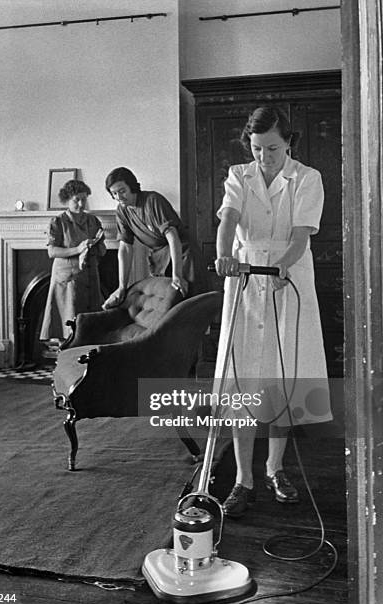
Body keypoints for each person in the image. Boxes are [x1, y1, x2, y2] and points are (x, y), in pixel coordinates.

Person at [214, 106, 332, 518]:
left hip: (287, 280)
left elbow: (301, 235)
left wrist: (284, 263)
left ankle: (275, 468)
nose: (264, 156)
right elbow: (228, 220)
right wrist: (223, 255)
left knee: (281, 377)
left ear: (289, 143)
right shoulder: (239, 175)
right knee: (244, 377)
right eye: (257, 148)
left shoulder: (306, 178)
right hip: (245, 281)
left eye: (273, 148)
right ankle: (243, 478)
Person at [102, 167, 207, 309]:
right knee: (166, 305)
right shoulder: (122, 211)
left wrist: (177, 274)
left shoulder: (153, 201)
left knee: (189, 304)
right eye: (114, 193)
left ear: (132, 186)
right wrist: (122, 287)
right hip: (160, 257)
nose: (119, 197)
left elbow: (172, 236)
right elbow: (125, 247)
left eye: (122, 191)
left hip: (183, 255)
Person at [40, 179, 106, 343]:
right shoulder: (58, 222)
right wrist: (78, 249)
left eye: (84, 198)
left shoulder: (93, 221)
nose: (81, 203)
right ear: (67, 200)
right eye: (76, 199)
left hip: (90, 276)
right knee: (68, 325)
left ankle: (85, 362)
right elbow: (52, 251)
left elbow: (102, 251)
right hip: (67, 279)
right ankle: (66, 361)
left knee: (89, 325)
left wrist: (97, 245)